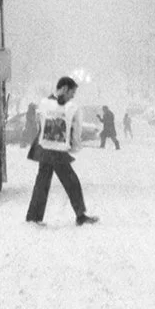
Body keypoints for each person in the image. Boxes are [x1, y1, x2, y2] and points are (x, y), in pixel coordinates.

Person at [24, 76, 95, 225]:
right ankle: (80, 215)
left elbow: (40, 125)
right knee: (71, 181)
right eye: (71, 93)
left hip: (44, 148)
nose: (72, 97)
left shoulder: (45, 103)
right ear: (64, 89)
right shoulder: (61, 106)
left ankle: (33, 217)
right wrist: (74, 146)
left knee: (43, 182)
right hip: (55, 151)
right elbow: (73, 129)